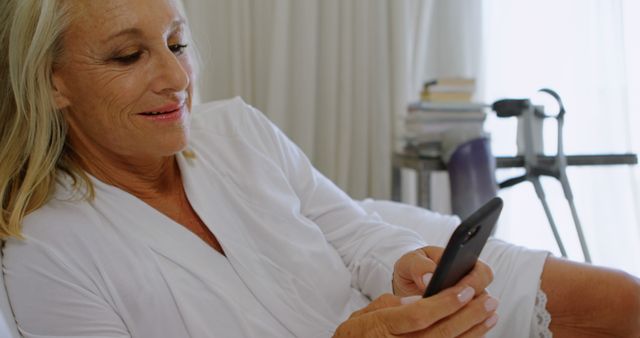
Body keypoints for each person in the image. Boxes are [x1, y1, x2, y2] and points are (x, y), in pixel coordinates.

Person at [0, 0, 638, 337]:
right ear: (53, 82)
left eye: (177, 43)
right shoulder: (47, 250)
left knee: (623, 301)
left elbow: (354, 228)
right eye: (127, 55)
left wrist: (405, 263)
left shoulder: (237, 130)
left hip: (395, 314)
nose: (175, 79)